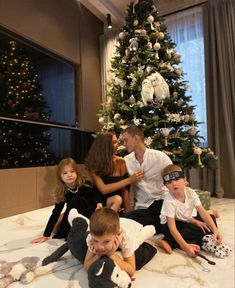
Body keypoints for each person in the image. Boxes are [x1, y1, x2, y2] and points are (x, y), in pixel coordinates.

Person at [157, 164, 225, 258]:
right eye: (169, 182)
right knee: (193, 230)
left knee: (210, 219)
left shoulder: (191, 193)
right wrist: (186, 248)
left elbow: (204, 214)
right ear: (166, 186)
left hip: (186, 218)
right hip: (171, 225)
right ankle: (168, 241)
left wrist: (215, 231)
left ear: (185, 181)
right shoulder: (169, 200)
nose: (173, 184)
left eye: (176, 180)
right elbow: (172, 228)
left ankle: (181, 242)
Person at [68, 207, 157, 278]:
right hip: (118, 223)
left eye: (106, 241)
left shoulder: (126, 238)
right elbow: (86, 266)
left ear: (117, 234)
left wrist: (111, 254)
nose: (100, 247)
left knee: (138, 242)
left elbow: (131, 270)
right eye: (96, 240)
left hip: (134, 227)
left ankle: (148, 231)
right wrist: (98, 254)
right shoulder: (91, 238)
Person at [31, 158, 101, 243]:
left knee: (77, 200)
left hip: (88, 213)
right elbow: (55, 212)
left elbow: (95, 196)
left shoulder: (85, 184)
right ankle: (70, 230)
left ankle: (82, 229)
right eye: (65, 173)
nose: (69, 175)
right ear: (60, 176)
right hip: (73, 215)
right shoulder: (62, 191)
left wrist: (99, 204)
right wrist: (45, 235)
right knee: (56, 228)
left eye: (72, 171)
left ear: (77, 173)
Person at [121, 125, 172, 232]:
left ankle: (161, 223)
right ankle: (161, 225)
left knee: (134, 222)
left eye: (126, 140)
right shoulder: (126, 161)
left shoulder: (160, 157)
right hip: (142, 206)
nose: (124, 144)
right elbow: (125, 188)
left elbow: (174, 181)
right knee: (125, 220)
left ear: (136, 138)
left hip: (162, 202)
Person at [85, 131, 144, 212]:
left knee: (118, 199)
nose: (118, 145)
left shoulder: (121, 162)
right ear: (105, 145)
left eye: (117, 142)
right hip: (99, 204)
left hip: (118, 205)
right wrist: (129, 180)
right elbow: (103, 189)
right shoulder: (93, 164)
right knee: (117, 199)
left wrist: (128, 212)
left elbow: (124, 191)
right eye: (114, 142)